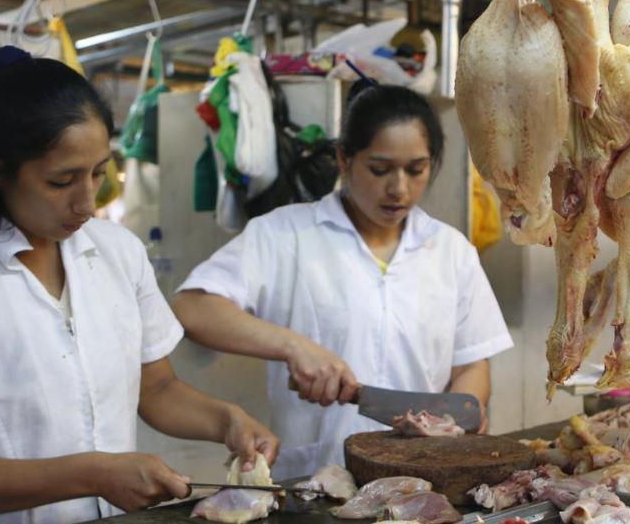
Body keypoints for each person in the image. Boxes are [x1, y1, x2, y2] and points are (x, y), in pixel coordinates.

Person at [0, 47, 279, 524]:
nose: (86, 203)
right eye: (62, 181)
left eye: (99, 173)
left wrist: (227, 421)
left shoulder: (117, 252)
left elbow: (157, 388)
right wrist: (93, 474)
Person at [173, 80, 514, 479]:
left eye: (415, 170)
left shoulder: (450, 251)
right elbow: (192, 308)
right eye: (380, 169)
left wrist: (452, 422)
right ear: (343, 159)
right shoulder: (285, 235)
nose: (398, 189)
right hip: (317, 481)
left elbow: (471, 361)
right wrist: (292, 346)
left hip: (422, 483)